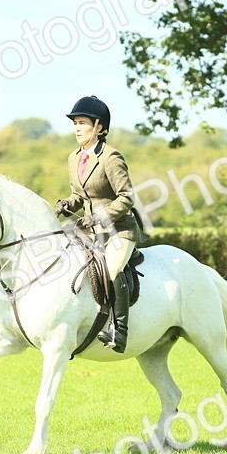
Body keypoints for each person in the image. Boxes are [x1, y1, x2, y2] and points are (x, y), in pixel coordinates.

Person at [53, 95, 145, 353]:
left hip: (119, 230)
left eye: (82, 123)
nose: (77, 128)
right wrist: (66, 205)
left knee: (110, 270)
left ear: (99, 127)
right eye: (75, 124)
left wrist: (99, 217)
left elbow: (127, 197)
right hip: (92, 232)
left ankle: (120, 332)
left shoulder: (111, 157)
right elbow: (80, 196)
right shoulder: (74, 158)